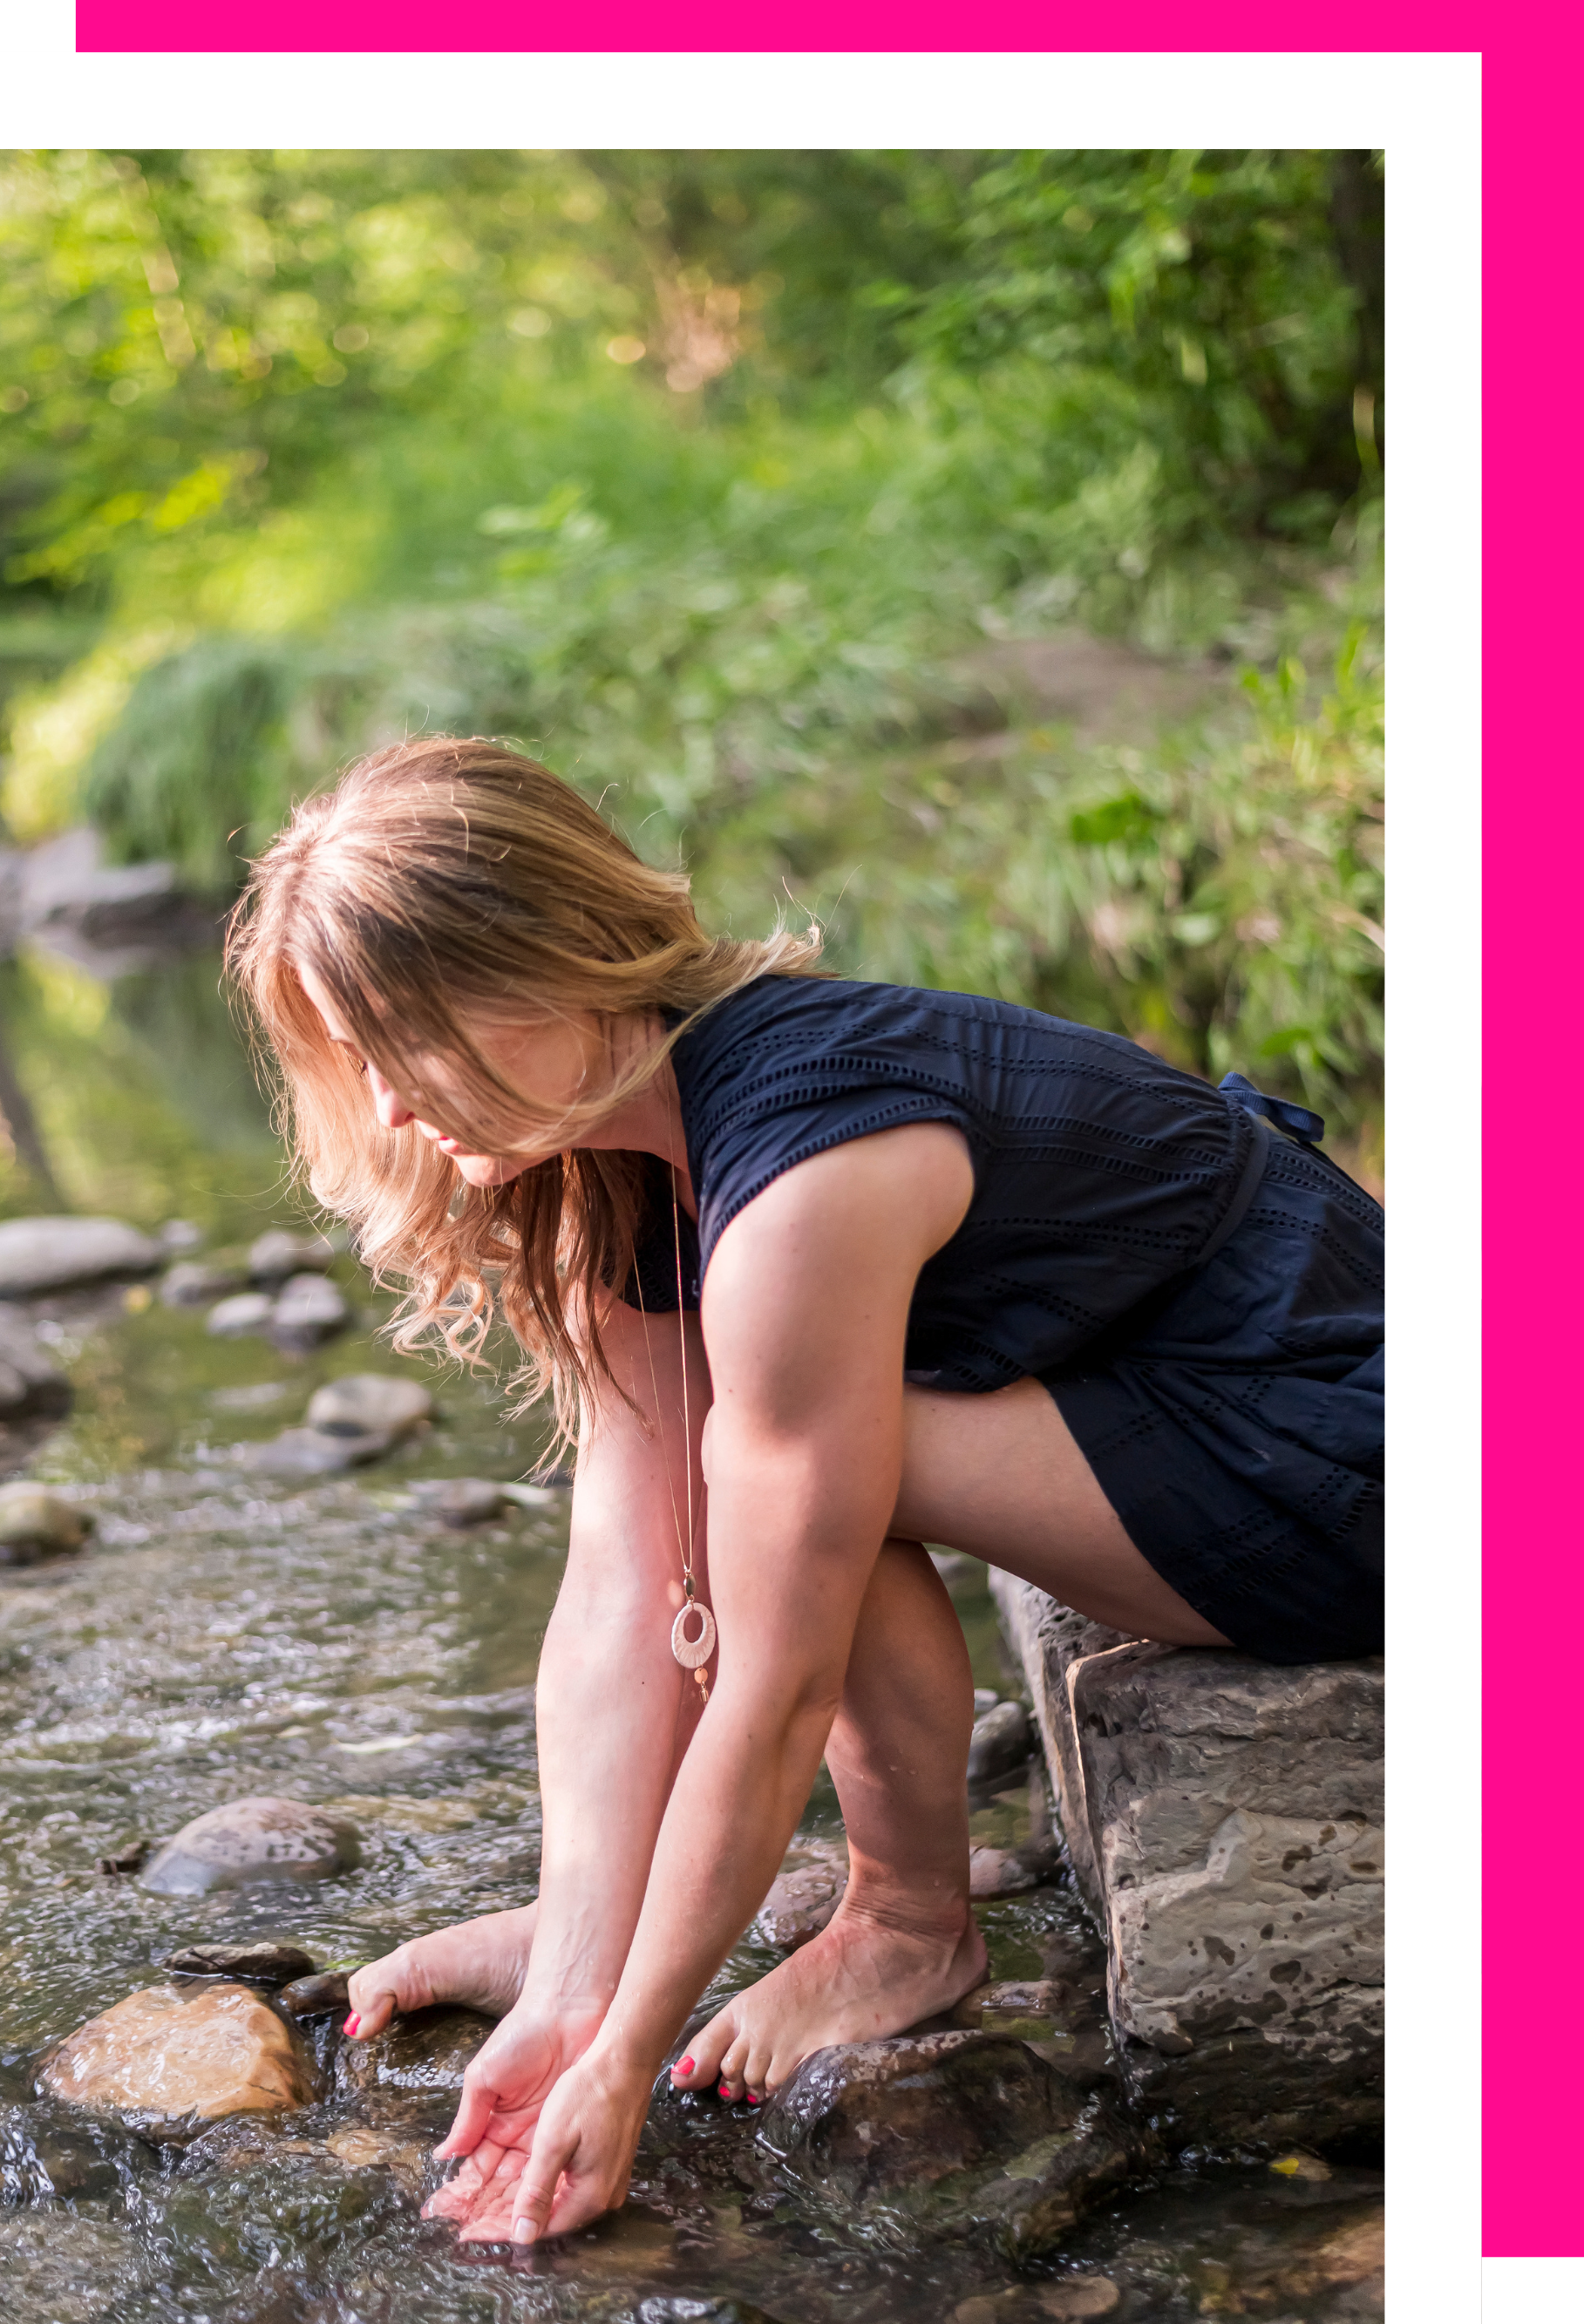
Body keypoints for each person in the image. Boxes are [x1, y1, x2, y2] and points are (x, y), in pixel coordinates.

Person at [229, 734, 1383, 2246]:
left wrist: (628, 2057)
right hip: (1167, 1409)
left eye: (416, 1040)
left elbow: (772, 1669)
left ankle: (909, 1924)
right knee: (723, 1489)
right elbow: (624, 1571)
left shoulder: (800, 1165)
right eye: (356, 1064)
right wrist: (579, 1980)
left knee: (794, 1493)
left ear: (561, 961)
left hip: (1345, 1450)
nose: (387, 1112)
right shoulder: (627, 1148)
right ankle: (693, 1928)